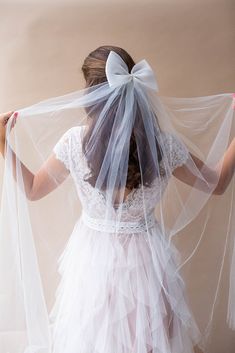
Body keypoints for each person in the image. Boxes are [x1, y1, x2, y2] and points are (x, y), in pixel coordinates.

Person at [0, 46, 234, 353]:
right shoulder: (162, 145)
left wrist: (4, 145)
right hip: (147, 260)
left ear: (91, 96)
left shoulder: (74, 142)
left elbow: (32, 190)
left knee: (95, 339)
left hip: (93, 259)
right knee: (149, 340)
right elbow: (216, 183)